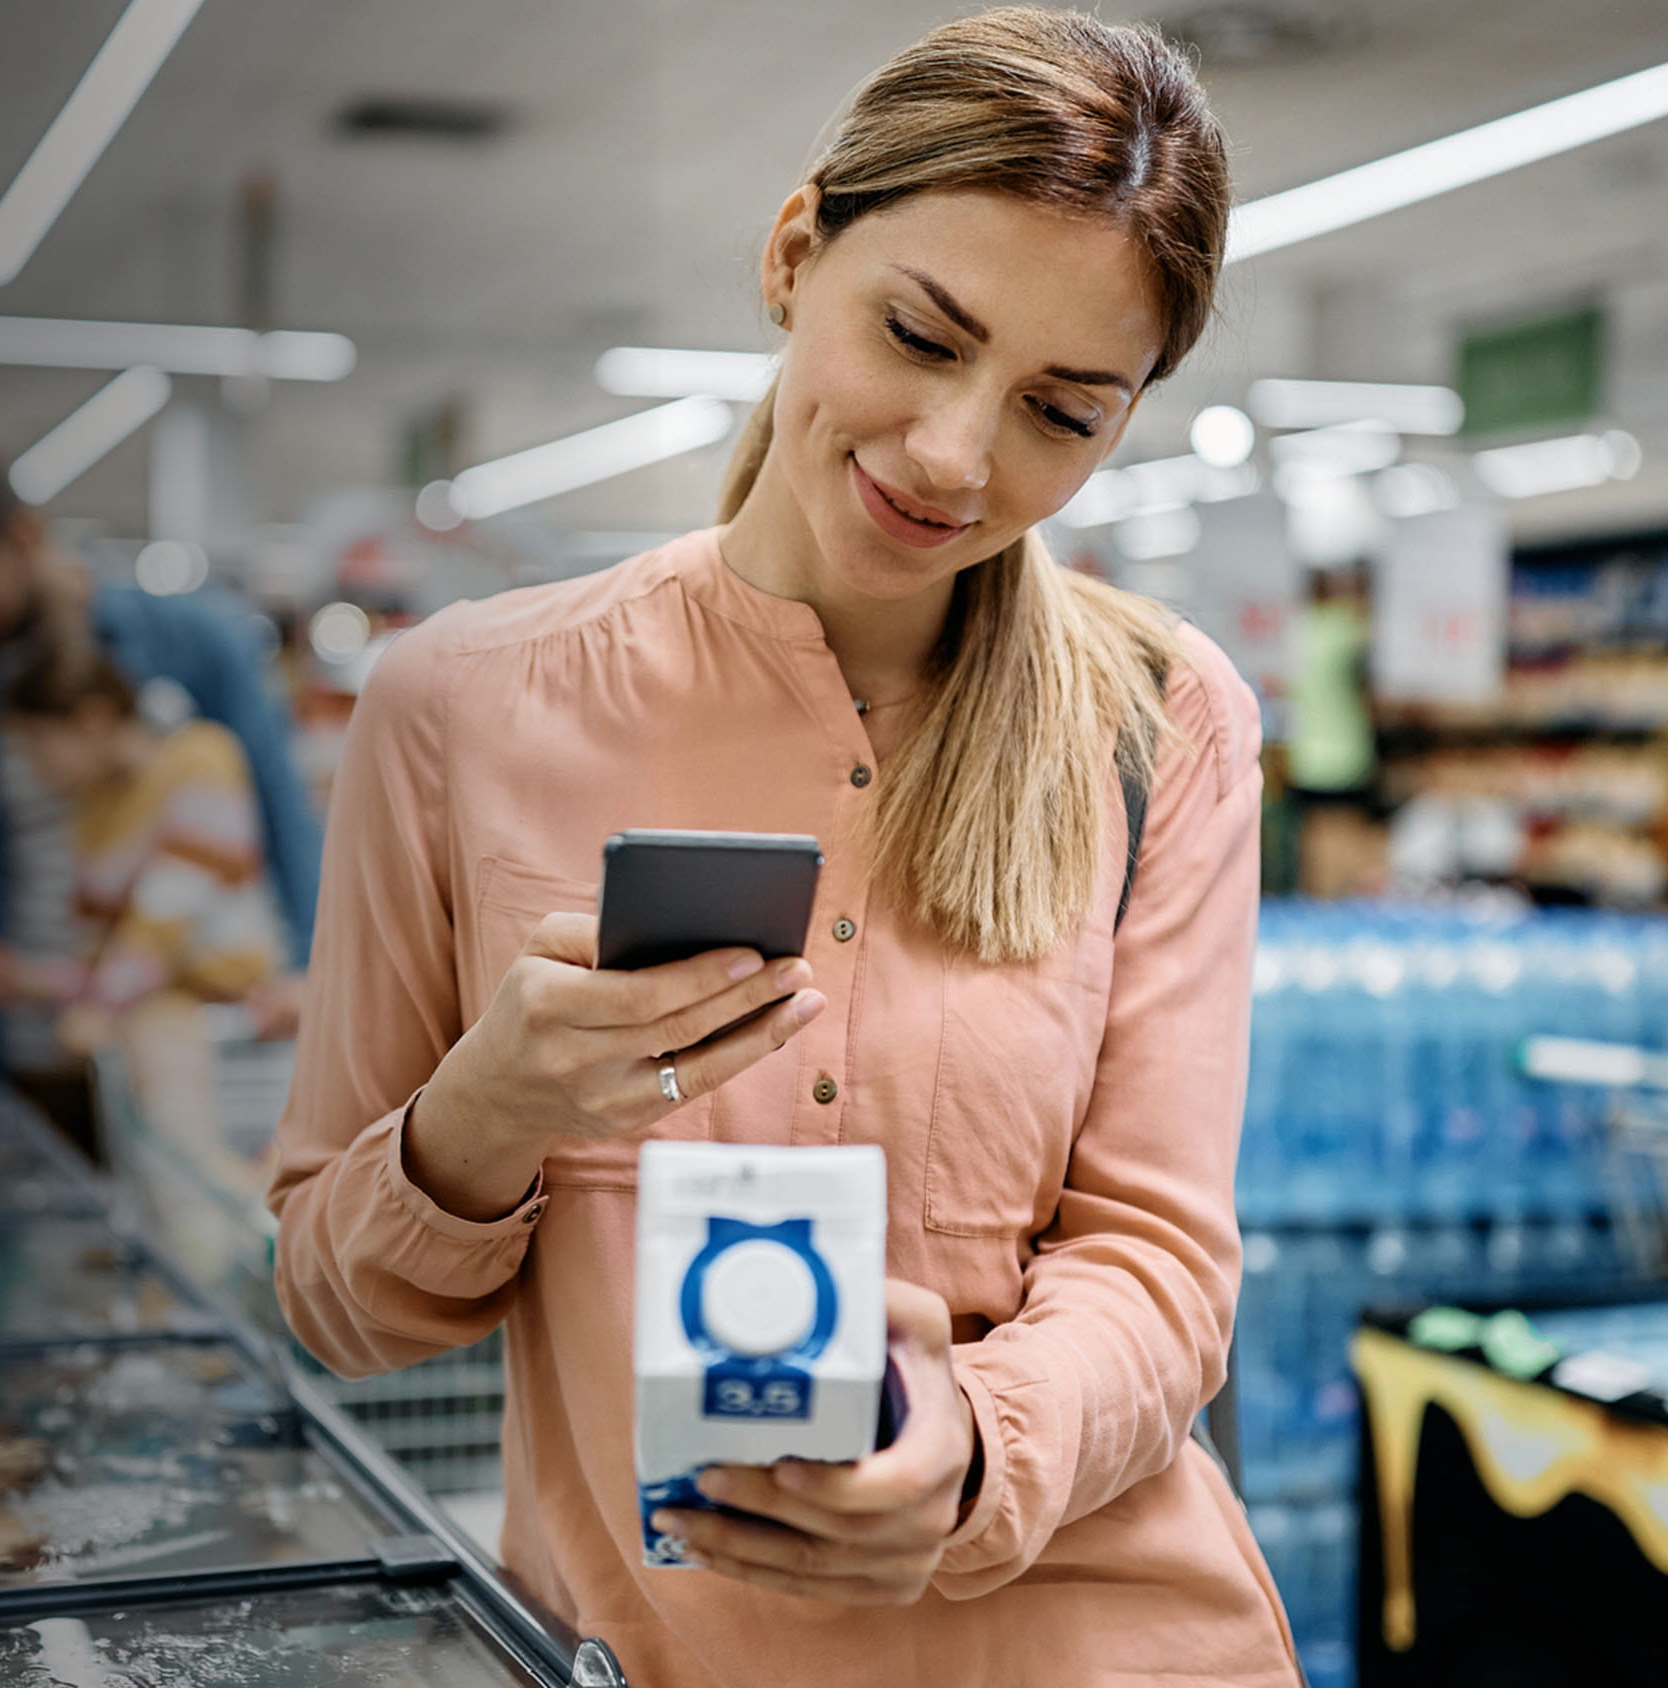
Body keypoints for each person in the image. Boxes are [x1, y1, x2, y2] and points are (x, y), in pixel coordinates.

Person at [268, 10, 1299, 1685]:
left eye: (1061, 411)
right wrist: (483, 1118)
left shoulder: (1162, 718)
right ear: (794, 253)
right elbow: (336, 1305)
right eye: (919, 334)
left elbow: (1163, 1267)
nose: (956, 456)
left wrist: (978, 1444)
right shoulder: (458, 705)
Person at [0, 454, 320, 1138]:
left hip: (176, 1020)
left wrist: (313, 971)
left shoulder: (194, 645)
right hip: (31, 1036)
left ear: (22, 537)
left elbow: (280, 816)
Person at [0, 645, 287, 1071]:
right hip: (142, 1040)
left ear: (92, 720)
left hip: (230, 1032)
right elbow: (104, 957)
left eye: (37, 741)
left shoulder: (202, 759)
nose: (34, 764)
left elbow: (164, 922)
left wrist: (99, 1006)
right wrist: (28, 980)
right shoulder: (94, 809)